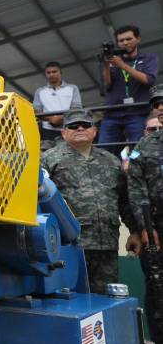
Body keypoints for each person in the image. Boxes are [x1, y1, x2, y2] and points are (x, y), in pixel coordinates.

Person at [41, 110, 136, 293]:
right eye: (73, 126)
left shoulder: (110, 160)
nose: (80, 129)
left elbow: (124, 200)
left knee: (105, 298)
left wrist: (134, 231)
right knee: (71, 298)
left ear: (94, 131)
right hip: (69, 245)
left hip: (106, 244)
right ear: (63, 132)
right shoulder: (49, 159)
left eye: (85, 125)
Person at [125, 105, 163, 344]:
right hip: (156, 234)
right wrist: (143, 229)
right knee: (158, 297)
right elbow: (135, 191)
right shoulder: (143, 149)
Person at [100, 25, 159, 151]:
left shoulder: (149, 58)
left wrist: (122, 65)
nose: (125, 43)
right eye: (121, 40)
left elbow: (148, 80)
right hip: (112, 113)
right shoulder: (112, 60)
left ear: (138, 39)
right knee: (105, 151)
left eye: (128, 39)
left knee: (138, 150)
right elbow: (107, 85)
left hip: (138, 113)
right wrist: (105, 65)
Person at [33, 61, 83, 141]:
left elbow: (77, 108)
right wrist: (51, 118)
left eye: (54, 72)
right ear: (45, 74)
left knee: (70, 152)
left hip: (69, 128)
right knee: (48, 152)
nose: (51, 74)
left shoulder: (73, 88)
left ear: (60, 72)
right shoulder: (39, 91)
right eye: (48, 73)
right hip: (47, 130)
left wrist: (62, 118)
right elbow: (36, 111)